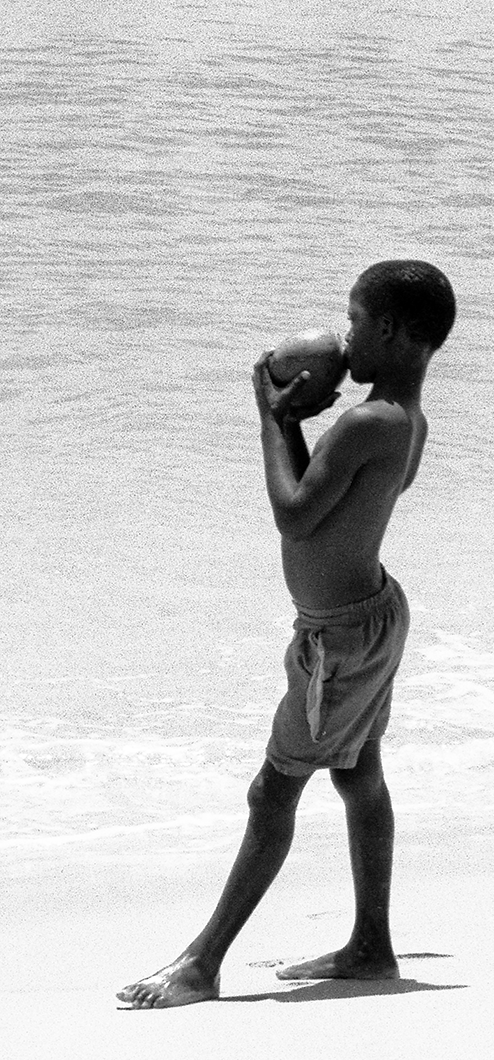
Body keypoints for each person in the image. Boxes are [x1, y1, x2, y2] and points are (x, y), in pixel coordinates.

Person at [118, 260, 455, 1007]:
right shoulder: (405, 421)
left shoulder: (368, 422)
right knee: (357, 772)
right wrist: (299, 428)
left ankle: (202, 963)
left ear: (392, 331)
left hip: (340, 639)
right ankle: (371, 946)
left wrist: (272, 418)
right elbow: (323, 510)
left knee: (273, 791)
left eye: (357, 319)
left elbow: (296, 513)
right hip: (366, 618)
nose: (346, 333)